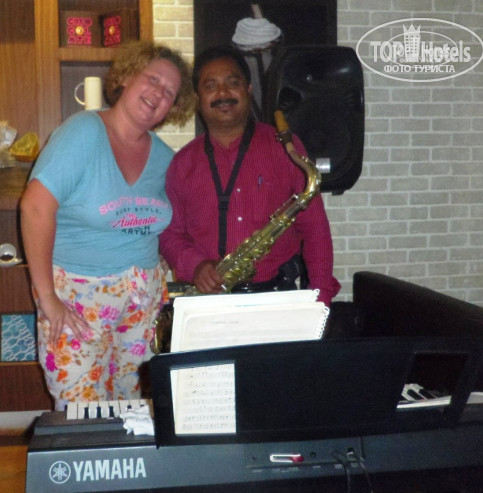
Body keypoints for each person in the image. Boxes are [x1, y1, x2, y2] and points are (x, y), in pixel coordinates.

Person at [20, 41, 195, 410]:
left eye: (169, 92)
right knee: (81, 410)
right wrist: (47, 298)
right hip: (77, 300)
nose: (158, 94)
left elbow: (168, 225)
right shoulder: (83, 132)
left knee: (136, 406)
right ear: (128, 77)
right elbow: (35, 208)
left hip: (143, 301)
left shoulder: (165, 158)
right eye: (153, 79)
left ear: (173, 107)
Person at [159, 45, 340, 305]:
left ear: (249, 89)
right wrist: (196, 265)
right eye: (211, 86)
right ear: (198, 99)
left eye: (233, 83)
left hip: (277, 298)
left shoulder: (285, 148)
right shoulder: (181, 164)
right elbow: (169, 235)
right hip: (208, 302)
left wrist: (321, 301)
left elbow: (315, 229)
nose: (223, 93)